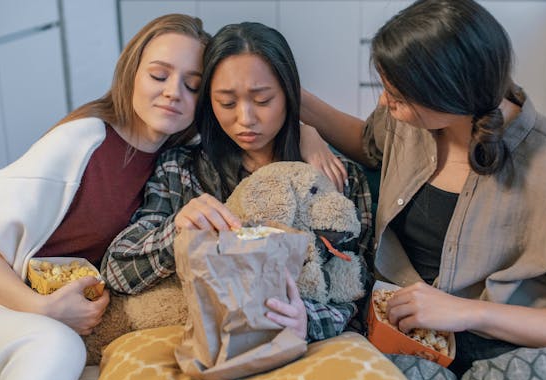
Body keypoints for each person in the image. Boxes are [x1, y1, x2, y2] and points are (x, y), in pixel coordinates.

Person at [0, 14, 211, 380]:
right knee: (59, 346)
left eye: (192, 85)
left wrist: (308, 134)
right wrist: (44, 310)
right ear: (131, 72)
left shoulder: (177, 164)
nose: (173, 92)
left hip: (60, 340)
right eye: (159, 75)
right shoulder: (83, 140)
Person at [301, 0, 546, 380]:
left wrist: (468, 311)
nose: (385, 104)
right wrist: (301, 115)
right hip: (400, 329)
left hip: (507, 344)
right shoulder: (410, 123)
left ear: (452, 92)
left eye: (398, 96)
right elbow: (368, 142)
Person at [101, 21, 374, 342]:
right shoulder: (182, 169)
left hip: (301, 351)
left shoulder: (334, 179)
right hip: (204, 345)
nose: (245, 119)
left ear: (288, 94)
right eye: (227, 103)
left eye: (262, 100)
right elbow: (116, 271)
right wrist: (177, 231)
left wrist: (309, 319)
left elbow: (358, 292)